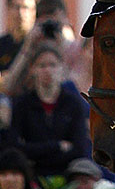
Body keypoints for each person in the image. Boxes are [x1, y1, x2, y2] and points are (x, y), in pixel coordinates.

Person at [8, 45, 91, 178]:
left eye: (52, 65)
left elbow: (79, 148)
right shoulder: (22, 104)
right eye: (42, 65)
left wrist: (35, 151)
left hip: (67, 176)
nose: (48, 70)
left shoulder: (73, 103)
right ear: (33, 69)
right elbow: (15, 147)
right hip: (33, 175)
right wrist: (57, 146)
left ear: (62, 68)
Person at [0, 0, 37, 76]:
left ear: (34, 12)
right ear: (8, 10)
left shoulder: (39, 43)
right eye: (16, 7)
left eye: (26, 8)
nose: (21, 13)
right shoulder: (2, 44)